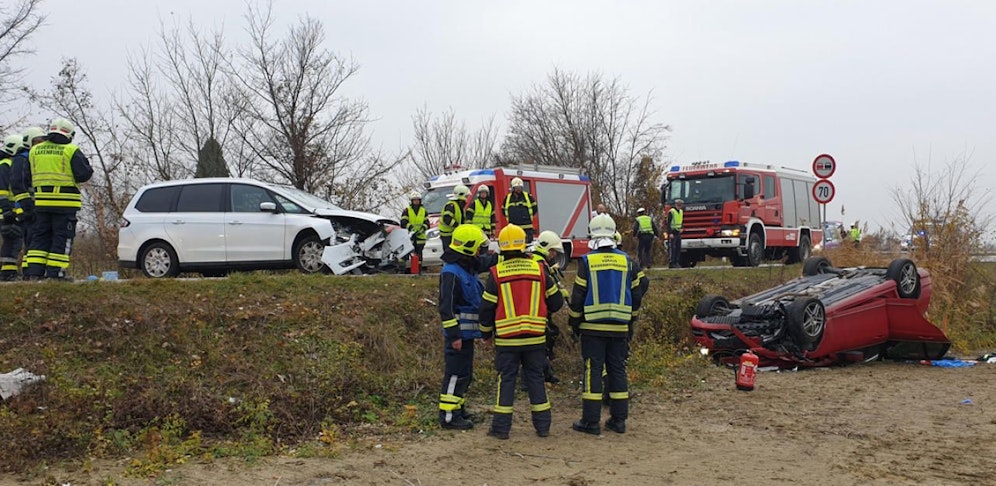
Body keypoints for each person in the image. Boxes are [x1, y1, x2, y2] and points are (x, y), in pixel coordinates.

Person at [479, 224, 563, 439]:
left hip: (507, 341)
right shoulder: (539, 269)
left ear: (502, 249)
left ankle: (500, 429)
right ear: (524, 245)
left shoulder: (496, 274)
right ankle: (543, 427)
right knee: (535, 379)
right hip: (535, 338)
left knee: (506, 380)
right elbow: (556, 303)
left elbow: (487, 309)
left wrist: (486, 336)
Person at [568, 214, 647, 436]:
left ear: (592, 234)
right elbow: (637, 294)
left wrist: (574, 322)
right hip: (620, 328)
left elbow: (578, 297)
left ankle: (591, 422)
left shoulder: (587, 261)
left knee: (593, 372)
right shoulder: (627, 261)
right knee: (617, 370)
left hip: (592, 328)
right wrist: (631, 319)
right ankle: (619, 420)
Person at [20, 118, 93, 281]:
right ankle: (56, 274)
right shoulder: (71, 150)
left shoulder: (34, 150)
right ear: (69, 134)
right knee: (62, 237)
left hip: (41, 204)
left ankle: (34, 273)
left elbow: (26, 178)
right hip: (65, 204)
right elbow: (84, 174)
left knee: (40, 237)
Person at [437, 224, 488, 430]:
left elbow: (487, 261)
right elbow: (446, 308)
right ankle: (448, 416)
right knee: (455, 374)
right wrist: (454, 335)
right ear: (467, 248)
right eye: (477, 248)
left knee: (465, 374)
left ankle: (458, 409)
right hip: (458, 336)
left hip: (468, 335)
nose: (480, 252)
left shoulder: (466, 267)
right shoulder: (451, 273)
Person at [530, 230, 570, 384]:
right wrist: (559, 294)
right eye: (552, 251)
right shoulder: (539, 264)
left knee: (550, 335)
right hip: (538, 309)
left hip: (538, 307)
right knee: (546, 338)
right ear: (546, 248)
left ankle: (545, 372)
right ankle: (541, 375)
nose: (554, 255)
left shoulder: (540, 261)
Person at [9, 127, 46, 280]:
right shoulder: (22, 159)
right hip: (27, 207)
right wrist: (27, 206)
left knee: (33, 241)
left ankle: (29, 273)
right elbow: (18, 184)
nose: (41, 144)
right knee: (31, 239)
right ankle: (30, 274)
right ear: (30, 141)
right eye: (38, 141)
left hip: (34, 205)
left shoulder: (31, 156)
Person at [0, 133, 24, 281]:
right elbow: (2, 191)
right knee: (12, 240)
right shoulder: (5, 166)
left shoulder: (7, 164)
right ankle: (7, 273)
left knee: (14, 240)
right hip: (6, 211)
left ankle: (8, 271)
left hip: (9, 210)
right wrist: (7, 210)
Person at [502, 177, 537, 243]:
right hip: (513, 227)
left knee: (527, 246)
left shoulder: (527, 196)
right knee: (515, 245)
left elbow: (534, 208)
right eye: (517, 187)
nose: (518, 189)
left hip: (527, 227)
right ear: (513, 188)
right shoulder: (508, 198)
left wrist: (525, 217)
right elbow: (503, 210)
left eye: (520, 187)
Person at [438, 184, 471, 250]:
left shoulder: (459, 205)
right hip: (448, 234)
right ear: (461, 195)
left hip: (454, 233)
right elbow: (447, 219)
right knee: (450, 253)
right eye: (466, 196)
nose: (467, 198)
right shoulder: (451, 205)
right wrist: (458, 226)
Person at [400, 191, 427, 268]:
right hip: (409, 237)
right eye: (414, 200)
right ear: (411, 201)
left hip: (420, 237)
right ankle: (401, 269)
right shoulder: (407, 210)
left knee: (419, 255)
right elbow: (403, 222)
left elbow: (427, 223)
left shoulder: (424, 211)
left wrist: (421, 229)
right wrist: (411, 228)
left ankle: (418, 270)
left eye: (417, 200)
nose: (416, 201)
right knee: (405, 254)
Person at [666, 199, 684, 268]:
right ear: (676, 204)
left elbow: (681, 221)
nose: (679, 205)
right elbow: (668, 223)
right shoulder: (671, 212)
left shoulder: (681, 212)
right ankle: (672, 263)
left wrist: (682, 227)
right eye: (678, 204)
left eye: (680, 204)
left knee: (678, 248)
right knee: (672, 248)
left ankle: (676, 262)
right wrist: (670, 233)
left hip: (678, 232)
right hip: (673, 232)